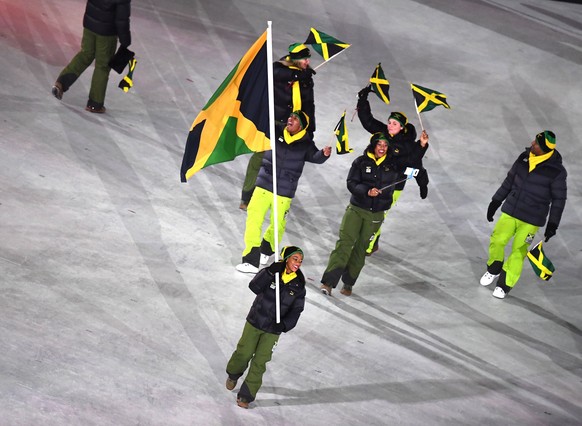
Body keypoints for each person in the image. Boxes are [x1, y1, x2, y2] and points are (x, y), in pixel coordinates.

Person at [320, 131, 427, 296]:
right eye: (379, 144)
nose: (382, 148)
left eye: (385, 145)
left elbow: (413, 161)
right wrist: (366, 191)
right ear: (373, 145)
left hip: (376, 215)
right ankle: (328, 283)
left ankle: (348, 284)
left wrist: (421, 145)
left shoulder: (394, 165)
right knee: (344, 244)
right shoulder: (360, 162)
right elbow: (351, 183)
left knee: (361, 249)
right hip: (356, 210)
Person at [236, 111, 330, 274]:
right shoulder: (275, 130)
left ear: (301, 126)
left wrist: (323, 154)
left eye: (295, 118)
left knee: (278, 225)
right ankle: (251, 260)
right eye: (290, 116)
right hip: (264, 184)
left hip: (284, 191)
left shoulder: (305, 143)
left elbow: (314, 156)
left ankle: (266, 250)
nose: (290, 119)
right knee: (253, 219)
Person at [481, 130, 567, 299]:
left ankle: (505, 284)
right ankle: (494, 268)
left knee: (518, 251)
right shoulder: (523, 158)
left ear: (543, 149)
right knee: (497, 240)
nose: (532, 144)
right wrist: (496, 201)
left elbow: (559, 200)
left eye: (536, 143)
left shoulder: (556, 172)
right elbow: (509, 181)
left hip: (531, 219)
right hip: (511, 210)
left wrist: (553, 224)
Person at [226, 246, 306, 409]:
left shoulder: (298, 286)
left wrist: (283, 325)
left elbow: (296, 311)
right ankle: (234, 373)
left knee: (260, 362)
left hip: (273, 330)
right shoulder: (273, 273)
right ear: (286, 258)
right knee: (244, 352)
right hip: (255, 321)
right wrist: (269, 272)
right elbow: (254, 287)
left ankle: (246, 396)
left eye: (300, 261)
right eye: (295, 259)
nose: (298, 263)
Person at [239, 43, 317, 210]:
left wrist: (311, 127)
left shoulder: (305, 77)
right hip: (273, 123)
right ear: (295, 60)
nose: (307, 63)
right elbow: (276, 73)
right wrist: (297, 76)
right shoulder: (280, 68)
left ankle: (275, 198)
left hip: (294, 125)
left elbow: (309, 104)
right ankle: (247, 197)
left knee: (285, 162)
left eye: (308, 59)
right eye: (304, 59)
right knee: (260, 158)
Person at [357, 85, 429, 254]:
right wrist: (362, 99)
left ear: (402, 127)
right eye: (389, 122)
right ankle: (368, 241)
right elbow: (368, 121)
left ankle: (367, 246)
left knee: (378, 215)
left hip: (393, 186)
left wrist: (423, 183)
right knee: (367, 211)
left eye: (394, 124)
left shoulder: (407, 145)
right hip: (375, 180)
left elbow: (415, 163)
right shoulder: (383, 134)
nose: (390, 126)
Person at [51, 0, 132, 113]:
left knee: (85, 54)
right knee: (102, 66)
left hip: (90, 25)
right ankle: (95, 103)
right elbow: (122, 19)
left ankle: (61, 83)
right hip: (106, 33)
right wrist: (125, 41)